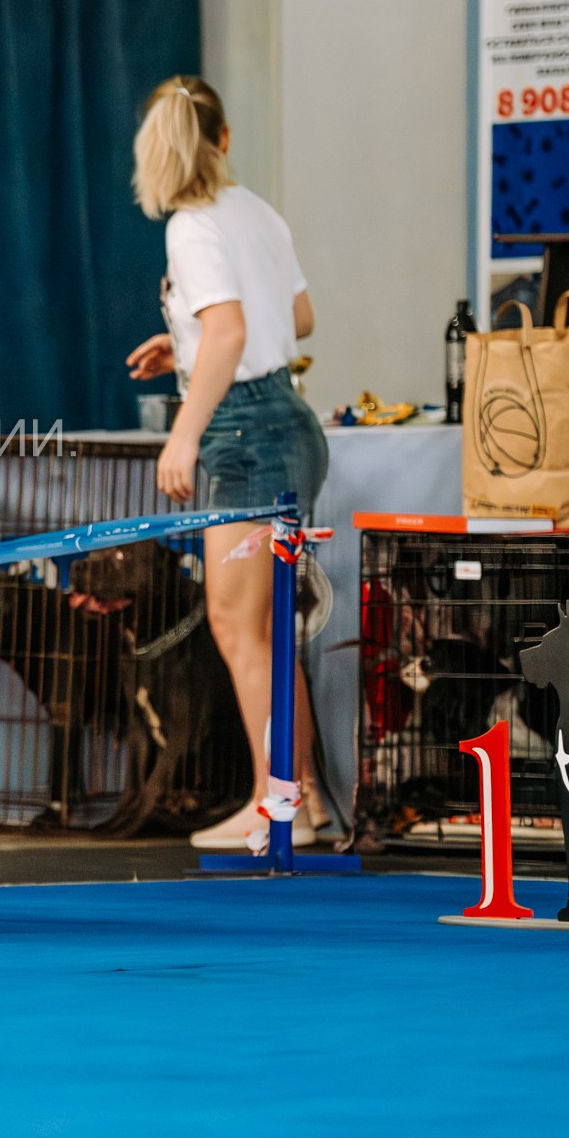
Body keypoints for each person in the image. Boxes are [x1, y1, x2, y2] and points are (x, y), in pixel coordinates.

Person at [124, 76, 329, 851]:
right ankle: (299, 799)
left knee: (239, 626)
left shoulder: (191, 226)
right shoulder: (256, 211)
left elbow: (233, 332)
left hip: (243, 432)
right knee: (268, 630)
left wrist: (184, 431)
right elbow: (298, 317)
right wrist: (184, 344)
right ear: (225, 138)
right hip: (288, 421)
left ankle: (278, 801)